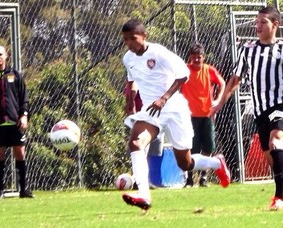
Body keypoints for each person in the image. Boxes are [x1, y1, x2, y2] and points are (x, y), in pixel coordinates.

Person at [121, 19, 230, 211]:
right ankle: (144, 196)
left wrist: (164, 98)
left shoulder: (159, 53)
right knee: (136, 143)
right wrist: (130, 101)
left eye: (133, 38)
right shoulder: (128, 58)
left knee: (185, 163)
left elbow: (183, 75)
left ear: (144, 36)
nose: (130, 43)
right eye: (126, 39)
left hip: (174, 108)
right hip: (151, 110)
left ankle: (216, 162)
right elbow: (131, 80)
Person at [209, 6, 283, 211]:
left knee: (276, 141)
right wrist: (220, 102)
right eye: (256, 22)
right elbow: (235, 79)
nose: (257, 26)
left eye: (263, 22)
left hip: (280, 104)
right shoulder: (248, 50)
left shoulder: (282, 50)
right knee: (270, 157)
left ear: (275, 25)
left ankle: (279, 197)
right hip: (260, 109)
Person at [0, 45, 33, 199]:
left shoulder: (15, 75)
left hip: (15, 122)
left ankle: (23, 189)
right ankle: (0, 190)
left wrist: (24, 115)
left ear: (6, 56)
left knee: (20, 152)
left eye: (0, 54)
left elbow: (23, 98)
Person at [181, 43, 225, 187]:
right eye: (193, 58)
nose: (196, 61)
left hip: (207, 115)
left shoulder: (209, 70)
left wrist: (217, 100)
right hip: (190, 115)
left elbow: (222, 84)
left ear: (203, 57)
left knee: (208, 147)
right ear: (190, 58)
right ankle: (189, 179)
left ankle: (203, 177)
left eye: (199, 58)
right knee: (191, 148)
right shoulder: (185, 70)